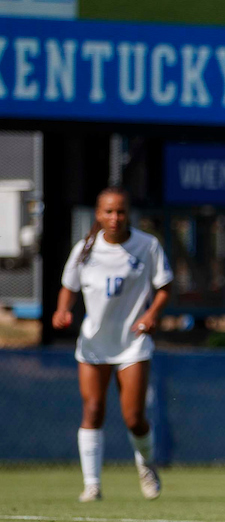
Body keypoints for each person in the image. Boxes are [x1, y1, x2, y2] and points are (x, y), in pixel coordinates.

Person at [52, 188, 173, 502]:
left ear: (128, 212)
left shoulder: (147, 245)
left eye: (120, 211)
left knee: (134, 417)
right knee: (93, 409)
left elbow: (164, 287)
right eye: (108, 211)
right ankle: (92, 484)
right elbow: (68, 287)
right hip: (94, 343)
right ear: (98, 214)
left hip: (132, 343)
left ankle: (146, 465)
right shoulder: (85, 250)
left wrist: (150, 314)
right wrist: (63, 310)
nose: (115, 218)